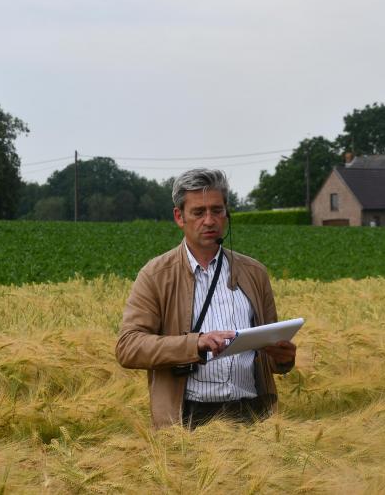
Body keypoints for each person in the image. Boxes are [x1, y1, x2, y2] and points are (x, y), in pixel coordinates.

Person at [115, 168, 296, 429]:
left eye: (217, 210)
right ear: (180, 217)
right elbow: (128, 347)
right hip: (187, 419)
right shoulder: (156, 275)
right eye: (199, 212)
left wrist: (283, 359)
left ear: (227, 214)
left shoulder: (254, 273)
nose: (209, 220)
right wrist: (195, 344)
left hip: (252, 416)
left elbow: (269, 350)